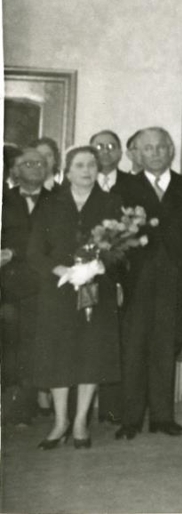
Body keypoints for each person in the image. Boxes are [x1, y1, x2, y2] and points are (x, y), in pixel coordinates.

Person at [111, 127, 182, 439]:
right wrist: (117, 282)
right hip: (135, 279)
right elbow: (114, 239)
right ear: (138, 153)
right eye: (148, 148)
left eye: (160, 147)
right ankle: (131, 419)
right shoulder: (124, 188)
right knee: (133, 347)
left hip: (174, 279)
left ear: (171, 150)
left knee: (167, 345)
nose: (155, 153)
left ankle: (163, 418)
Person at [26, 146, 122, 449]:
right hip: (58, 289)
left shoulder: (111, 203)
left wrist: (99, 266)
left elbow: (121, 248)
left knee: (91, 353)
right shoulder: (49, 204)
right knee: (59, 355)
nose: (86, 170)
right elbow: (34, 251)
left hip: (96, 289)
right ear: (67, 171)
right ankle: (60, 421)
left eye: (91, 165)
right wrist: (63, 271)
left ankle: (80, 421)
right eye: (79, 165)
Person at [0, 147, 51, 426]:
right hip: (8, 285)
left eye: (40, 163)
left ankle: (24, 409)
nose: (35, 167)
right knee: (8, 344)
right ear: (14, 170)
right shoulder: (3, 199)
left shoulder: (58, 200)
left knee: (33, 345)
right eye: (28, 163)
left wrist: (14, 252)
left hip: (43, 285)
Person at [88, 129, 134, 425]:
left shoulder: (133, 184)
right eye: (99, 146)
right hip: (85, 273)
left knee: (118, 340)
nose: (105, 151)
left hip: (122, 275)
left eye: (111, 146)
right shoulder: (80, 182)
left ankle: (113, 408)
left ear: (120, 152)